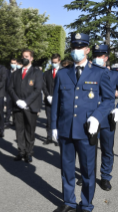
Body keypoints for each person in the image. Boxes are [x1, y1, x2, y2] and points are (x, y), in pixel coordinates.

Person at [51, 33, 114, 212]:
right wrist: (54, 126)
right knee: (67, 169)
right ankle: (69, 202)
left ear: (87, 49)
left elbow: (109, 100)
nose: (76, 51)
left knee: (87, 171)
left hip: (87, 130)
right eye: (74, 47)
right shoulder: (63, 74)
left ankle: (86, 204)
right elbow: (56, 102)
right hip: (65, 129)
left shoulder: (99, 72)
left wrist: (96, 117)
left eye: (80, 47)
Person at [76, 44, 118, 192]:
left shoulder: (115, 74)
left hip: (107, 118)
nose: (98, 59)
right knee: (88, 149)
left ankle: (105, 176)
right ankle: (87, 174)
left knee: (107, 149)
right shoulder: (87, 73)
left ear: (107, 58)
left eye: (101, 56)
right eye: (96, 56)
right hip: (89, 117)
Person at [8, 49, 43, 163]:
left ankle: (29, 153)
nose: (24, 58)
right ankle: (21, 151)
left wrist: (26, 102)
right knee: (19, 130)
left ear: (31, 58)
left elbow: (37, 90)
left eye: (27, 56)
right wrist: (17, 100)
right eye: (23, 56)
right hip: (18, 106)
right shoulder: (16, 73)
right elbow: (10, 88)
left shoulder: (37, 72)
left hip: (30, 106)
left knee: (29, 130)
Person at [42, 53, 61, 145]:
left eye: (55, 62)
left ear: (59, 61)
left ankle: (58, 138)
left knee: (58, 119)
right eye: (53, 62)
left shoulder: (63, 72)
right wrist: (47, 95)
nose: (54, 64)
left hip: (60, 101)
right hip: (48, 100)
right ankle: (49, 137)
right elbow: (43, 85)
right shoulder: (47, 73)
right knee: (49, 120)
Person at [5, 58, 18, 128]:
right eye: (12, 63)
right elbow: (5, 82)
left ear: (16, 63)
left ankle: (15, 122)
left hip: (16, 93)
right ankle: (7, 122)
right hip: (8, 93)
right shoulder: (7, 71)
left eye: (14, 63)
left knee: (15, 108)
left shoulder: (19, 72)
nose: (13, 64)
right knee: (8, 108)